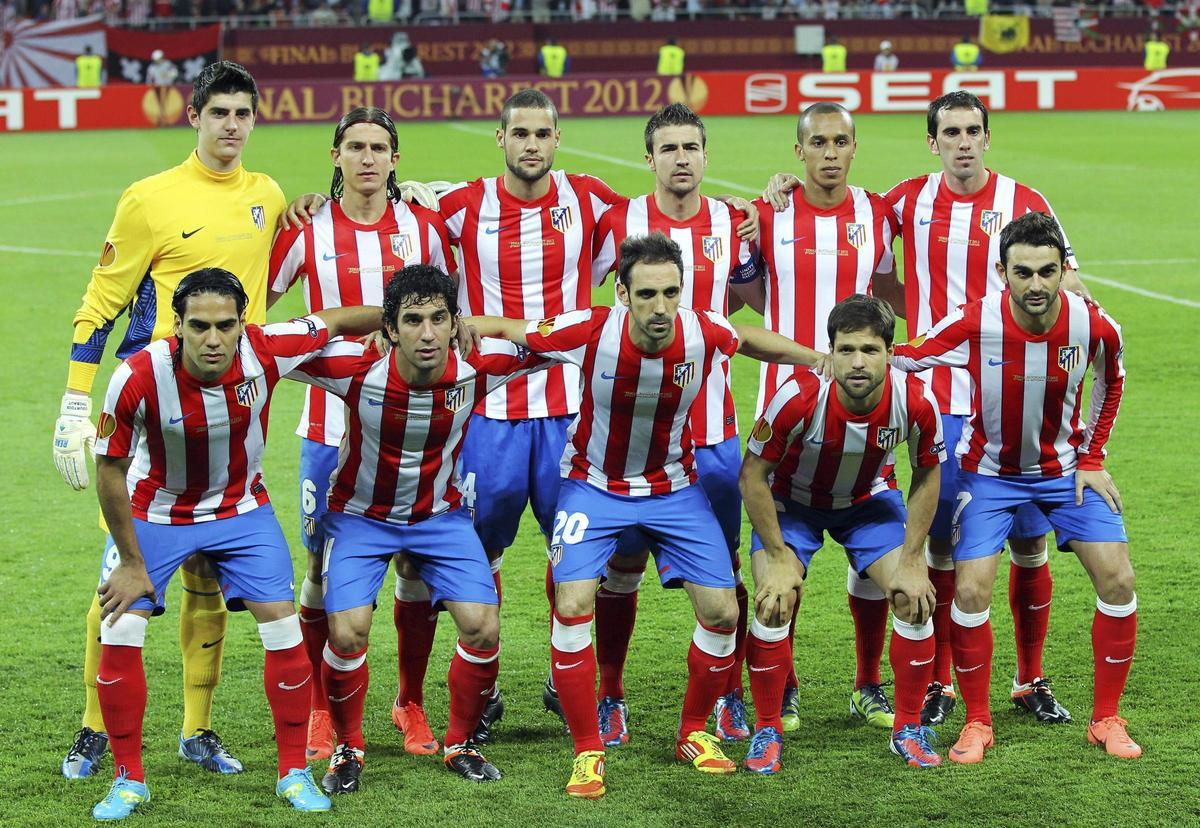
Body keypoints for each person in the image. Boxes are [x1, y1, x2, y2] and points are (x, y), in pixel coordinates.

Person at [465, 232, 828, 799]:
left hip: (673, 488)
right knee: (573, 601)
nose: (660, 308)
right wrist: (465, 326)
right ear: (622, 294)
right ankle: (588, 748)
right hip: (592, 486)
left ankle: (692, 731)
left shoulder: (699, 331)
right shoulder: (589, 330)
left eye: (671, 293)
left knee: (723, 611)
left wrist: (814, 358)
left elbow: (750, 339)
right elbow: (518, 332)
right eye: (647, 294)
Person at [54, 61, 286, 781]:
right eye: (218, 112)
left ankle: (197, 730)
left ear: (254, 120)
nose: (231, 126)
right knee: (120, 579)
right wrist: (72, 403)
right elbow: (102, 301)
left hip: (232, 416)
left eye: (242, 113)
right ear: (194, 117)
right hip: (151, 415)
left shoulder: (268, 196)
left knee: (208, 580)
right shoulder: (149, 199)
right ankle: (96, 728)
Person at [88, 269, 383, 819]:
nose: (213, 339)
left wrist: (396, 325)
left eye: (226, 326)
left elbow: (338, 320)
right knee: (120, 625)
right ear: (177, 326)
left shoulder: (266, 350)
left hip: (240, 508)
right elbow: (109, 468)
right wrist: (130, 562)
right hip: (156, 511)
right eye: (198, 326)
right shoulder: (137, 374)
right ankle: (128, 780)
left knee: (283, 624)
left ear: (243, 326)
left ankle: (293, 772)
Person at [284, 265, 550, 792]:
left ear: (455, 323)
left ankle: (460, 743)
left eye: (438, 319)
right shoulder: (353, 368)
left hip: (439, 519)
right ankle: (348, 746)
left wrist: (488, 325)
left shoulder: (481, 366)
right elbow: (271, 349)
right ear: (389, 329)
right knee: (347, 632)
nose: (426, 334)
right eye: (412, 321)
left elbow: (557, 339)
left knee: (483, 627)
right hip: (360, 518)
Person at [891, 212, 1139, 763]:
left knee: (1118, 580)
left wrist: (1093, 456)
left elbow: (1113, 377)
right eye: (1022, 272)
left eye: (1047, 271)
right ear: (1003, 273)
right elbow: (908, 356)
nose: (1036, 284)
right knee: (972, 589)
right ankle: (977, 722)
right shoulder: (975, 320)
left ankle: (1107, 719)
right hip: (989, 475)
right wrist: (839, 358)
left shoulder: (1093, 324)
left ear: (1062, 271)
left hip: (1066, 473)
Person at [876, 91, 1088, 728]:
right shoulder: (906, 200)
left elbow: (1070, 281)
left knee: (1029, 543)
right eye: (951, 132)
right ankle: (942, 681)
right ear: (932, 141)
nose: (963, 141)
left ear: (987, 138)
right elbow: (852, 238)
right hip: (941, 402)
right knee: (940, 546)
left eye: (973, 131)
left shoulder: (1026, 202)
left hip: (1014, 405)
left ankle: (1029, 678)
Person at [268, 107, 456, 762]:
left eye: (380, 147)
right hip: (329, 428)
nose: (368, 158)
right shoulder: (306, 228)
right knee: (319, 569)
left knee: (416, 567)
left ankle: (410, 701)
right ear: (336, 153)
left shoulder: (423, 228)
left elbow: (452, 316)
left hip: (418, 431)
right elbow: (255, 310)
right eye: (356, 147)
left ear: (396, 158)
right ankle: (322, 708)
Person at [436, 88, 624, 740]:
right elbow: (397, 217)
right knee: (478, 551)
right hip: (488, 410)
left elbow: (668, 218)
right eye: (521, 133)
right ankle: (479, 688)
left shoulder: (592, 198)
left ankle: (561, 675)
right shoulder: (462, 206)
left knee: (572, 547)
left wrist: (755, 207)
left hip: (571, 408)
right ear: (500, 138)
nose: (533, 145)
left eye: (543, 133)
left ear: (557, 137)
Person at [588, 103, 760, 748]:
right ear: (649, 158)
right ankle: (610, 694)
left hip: (711, 433)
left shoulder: (731, 223)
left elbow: (749, 303)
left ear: (705, 156)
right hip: (632, 436)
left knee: (722, 571)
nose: (681, 157)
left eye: (692, 146)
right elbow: (589, 299)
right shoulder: (619, 221)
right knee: (621, 567)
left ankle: (729, 695)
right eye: (669, 147)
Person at [741, 294, 945, 773]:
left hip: (866, 504)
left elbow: (928, 473)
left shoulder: (914, 400)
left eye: (870, 351)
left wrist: (915, 557)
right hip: (794, 505)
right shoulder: (797, 396)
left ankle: (908, 728)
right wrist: (776, 554)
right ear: (829, 352)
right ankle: (767, 727)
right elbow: (753, 475)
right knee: (774, 600)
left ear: (890, 355)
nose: (858, 362)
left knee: (915, 597)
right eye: (846, 349)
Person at [755, 102, 900, 734]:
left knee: (866, 545)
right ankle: (780, 684)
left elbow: (898, 290)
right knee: (784, 560)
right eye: (818, 142)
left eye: (842, 141)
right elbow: (736, 290)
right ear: (799, 152)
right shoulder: (766, 212)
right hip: (787, 407)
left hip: (865, 405)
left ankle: (868, 682)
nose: (831, 153)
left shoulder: (879, 213)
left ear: (854, 147)